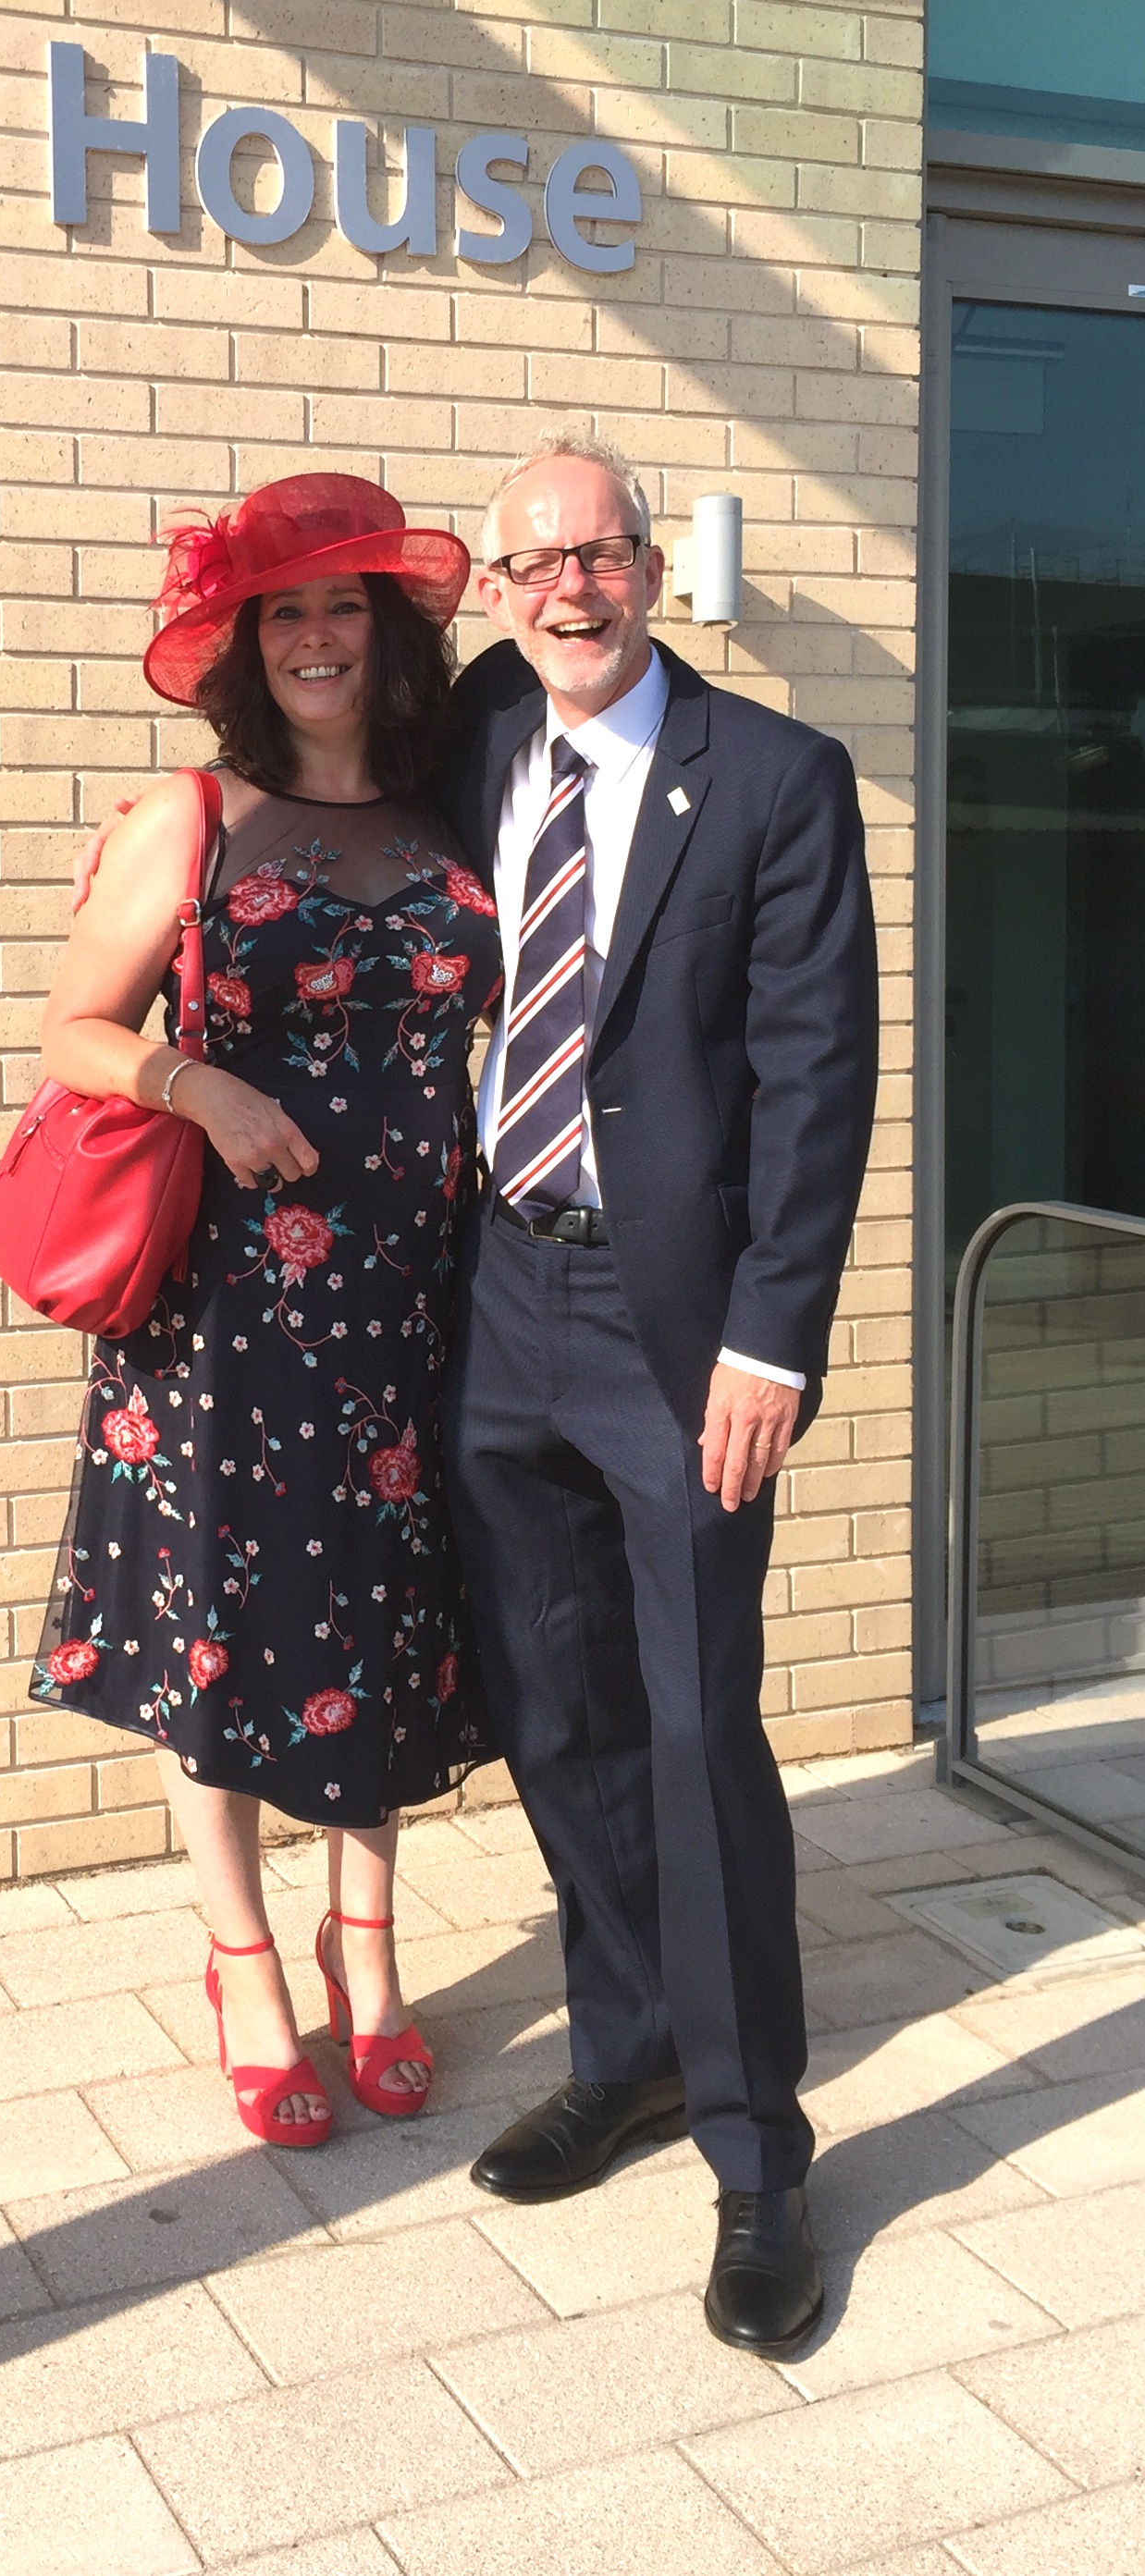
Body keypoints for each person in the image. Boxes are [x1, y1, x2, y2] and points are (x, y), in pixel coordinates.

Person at [437, 429, 878, 2358]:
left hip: (677, 1326)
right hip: (495, 1299)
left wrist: (770, 1340)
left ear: (648, 563)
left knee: (698, 1729)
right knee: (552, 1702)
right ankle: (620, 2046)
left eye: (600, 554)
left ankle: (756, 2154)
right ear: (501, 588)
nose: (571, 591)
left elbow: (816, 1079)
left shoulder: (774, 776)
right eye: (534, 566)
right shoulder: (481, 737)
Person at [36, 473, 498, 2151]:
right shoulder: (197, 817)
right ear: (247, 642)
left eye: (344, 607)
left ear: (388, 636)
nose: (315, 635)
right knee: (219, 1625)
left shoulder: (455, 813)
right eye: (285, 610)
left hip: (419, 1292)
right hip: (227, 1314)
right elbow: (72, 1029)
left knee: (387, 1615)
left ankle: (364, 1943)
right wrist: (198, 1084)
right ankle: (244, 1958)